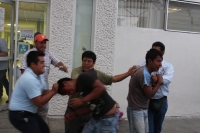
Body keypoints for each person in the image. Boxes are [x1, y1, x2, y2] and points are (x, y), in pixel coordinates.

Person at [65, 50, 136, 133]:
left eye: (89, 61)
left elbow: (113, 79)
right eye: (84, 60)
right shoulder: (76, 71)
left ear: (94, 63)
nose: (86, 63)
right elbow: (77, 81)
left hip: (89, 110)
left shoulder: (97, 74)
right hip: (73, 109)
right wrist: (96, 84)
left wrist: (127, 73)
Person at [20, 33, 68, 121]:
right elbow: (23, 71)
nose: (43, 45)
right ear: (36, 43)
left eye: (44, 43)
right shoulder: (28, 54)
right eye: (41, 43)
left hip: (43, 83)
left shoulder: (48, 54)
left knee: (43, 108)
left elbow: (57, 62)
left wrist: (62, 67)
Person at [9, 51, 58, 133]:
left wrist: (56, 91)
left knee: (44, 130)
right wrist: (53, 91)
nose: (45, 65)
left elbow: (43, 92)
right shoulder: (30, 79)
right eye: (41, 63)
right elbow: (39, 103)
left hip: (29, 112)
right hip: (19, 114)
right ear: (33, 65)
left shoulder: (39, 74)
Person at [57, 68, 119, 133]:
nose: (69, 94)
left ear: (65, 82)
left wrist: (82, 100)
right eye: (66, 94)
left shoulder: (83, 77)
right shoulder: (81, 89)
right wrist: (75, 114)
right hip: (96, 119)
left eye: (65, 91)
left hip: (107, 120)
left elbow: (101, 88)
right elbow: (92, 106)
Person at [140, 42, 174, 133]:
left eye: (156, 50)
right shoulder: (145, 63)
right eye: (152, 50)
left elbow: (168, 78)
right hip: (149, 101)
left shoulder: (168, 66)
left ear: (163, 53)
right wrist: (154, 79)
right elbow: (140, 74)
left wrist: (158, 79)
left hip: (162, 101)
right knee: (148, 129)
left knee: (157, 129)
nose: (154, 52)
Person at [127, 48, 163, 133]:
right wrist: (159, 83)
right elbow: (149, 95)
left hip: (142, 108)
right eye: (158, 61)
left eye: (161, 61)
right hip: (136, 110)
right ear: (150, 61)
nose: (160, 64)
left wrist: (154, 82)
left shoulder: (145, 71)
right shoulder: (144, 74)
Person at [0, 38, 9, 102]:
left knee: (3, 81)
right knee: (3, 81)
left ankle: (11, 96)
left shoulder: (1, 40)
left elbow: (5, 53)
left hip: (2, 67)